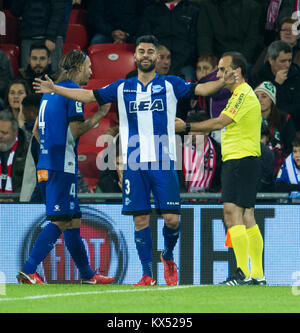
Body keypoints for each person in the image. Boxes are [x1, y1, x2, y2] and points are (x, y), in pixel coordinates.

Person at [33, 35, 236, 286]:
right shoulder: (121, 87)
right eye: (142, 51)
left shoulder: (171, 84)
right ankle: (148, 274)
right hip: (134, 163)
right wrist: (55, 89)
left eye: (152, 51)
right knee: (140, 219)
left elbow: (202, 89)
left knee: (172, 219)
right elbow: (87, 96)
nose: (146, 55)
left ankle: (168, 255)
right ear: (136, 56)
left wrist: (221, 82)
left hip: (163, 160)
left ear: (157, 57)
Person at [17, 50, 114, 285]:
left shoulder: (49, 94)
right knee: (60, 220)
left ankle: (88, 275)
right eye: (89, 66)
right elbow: (76, 130)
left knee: (72, 221)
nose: (91, 71)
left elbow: (36, 132)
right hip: (61, 167)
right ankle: (29, 269)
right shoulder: (72, 94)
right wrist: (99, 115)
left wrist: (52, 150)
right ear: (78, 67)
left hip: (48, 164)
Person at [176, 51, 266, 285]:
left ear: (236, 72)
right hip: (242, 160)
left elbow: (219, 122)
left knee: (234, 213)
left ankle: (243, 273)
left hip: (241, 160)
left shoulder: (242, 94)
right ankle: (255, 274)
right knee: (246, 215)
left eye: (223, 69)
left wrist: (186, 127)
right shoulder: (241, 94)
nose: (219, 73)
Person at [137, 0, 200, 80]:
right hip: (156, 63)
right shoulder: (150, 11)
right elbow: (144, 40)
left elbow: (193, 42)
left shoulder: (193, 9)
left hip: (184, 64)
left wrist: (173, 64)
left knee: (186, 83)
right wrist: (158, 60)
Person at [250, 40, 300, 131]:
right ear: (271, 60)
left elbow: (297, 107)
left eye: (289, 60)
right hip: (266, 126)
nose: (287, 65)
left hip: (293, 124)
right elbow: (260, 106)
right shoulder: (259, 76)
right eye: (283, 61)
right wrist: (276, 85)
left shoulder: (296, 75)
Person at [196, 0, 264, 65]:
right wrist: (209, 60)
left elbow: (252, 40)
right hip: (216, 59)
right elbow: (204, 37)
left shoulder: (252, 7)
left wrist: (237, 62)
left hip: (242, 59)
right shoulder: (207, 5)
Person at [10, 0, 67, 72]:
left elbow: (58, 12)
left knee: (54, 74)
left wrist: (51, 37)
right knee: (27, 74)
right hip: (28, 35)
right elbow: (15, 11)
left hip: (52, 38)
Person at [254, 80, 296, 176]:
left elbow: (291, 146)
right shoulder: (248, 118)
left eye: (264, 96)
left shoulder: (284, 118)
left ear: (272, 100)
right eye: (256, 97)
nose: (259, 100)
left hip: (280, 162)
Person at [177, 111, 222, 196]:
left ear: (207, 131)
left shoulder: (219, 152)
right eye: (190, 131)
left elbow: (220, 182)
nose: (192, 134)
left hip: (210, 202)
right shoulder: (179, 150)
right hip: (184, 200)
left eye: (196, 130)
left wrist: (209, 195)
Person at [87, 0, 153, 44]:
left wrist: (127, 34)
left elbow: (142, 18)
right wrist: (111, 32)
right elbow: (95, 18)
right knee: (97, 41)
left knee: (144, 44)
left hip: (132, 33)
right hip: (107, 33)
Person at [0, 110, 28, 201]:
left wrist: (14, 199)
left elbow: (29, 183)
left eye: (4, 133)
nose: (0, 136)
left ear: (15, 133)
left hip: (18, 204)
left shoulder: (26, 151)